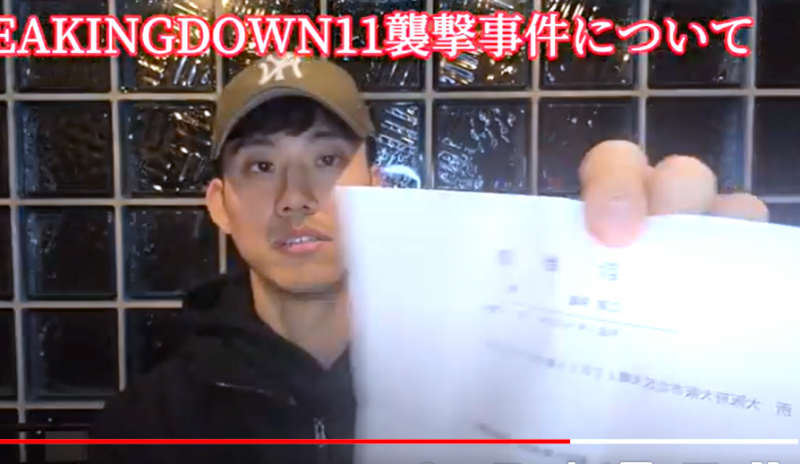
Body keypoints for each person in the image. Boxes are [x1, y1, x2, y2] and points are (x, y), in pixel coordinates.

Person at [88, 54, 769, 464]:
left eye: (327, 160)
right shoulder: (146, 428)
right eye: (261, 166)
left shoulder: (496, 386)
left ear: (378, 188)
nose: (295, 197)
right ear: (219, 203)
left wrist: (689, 357)